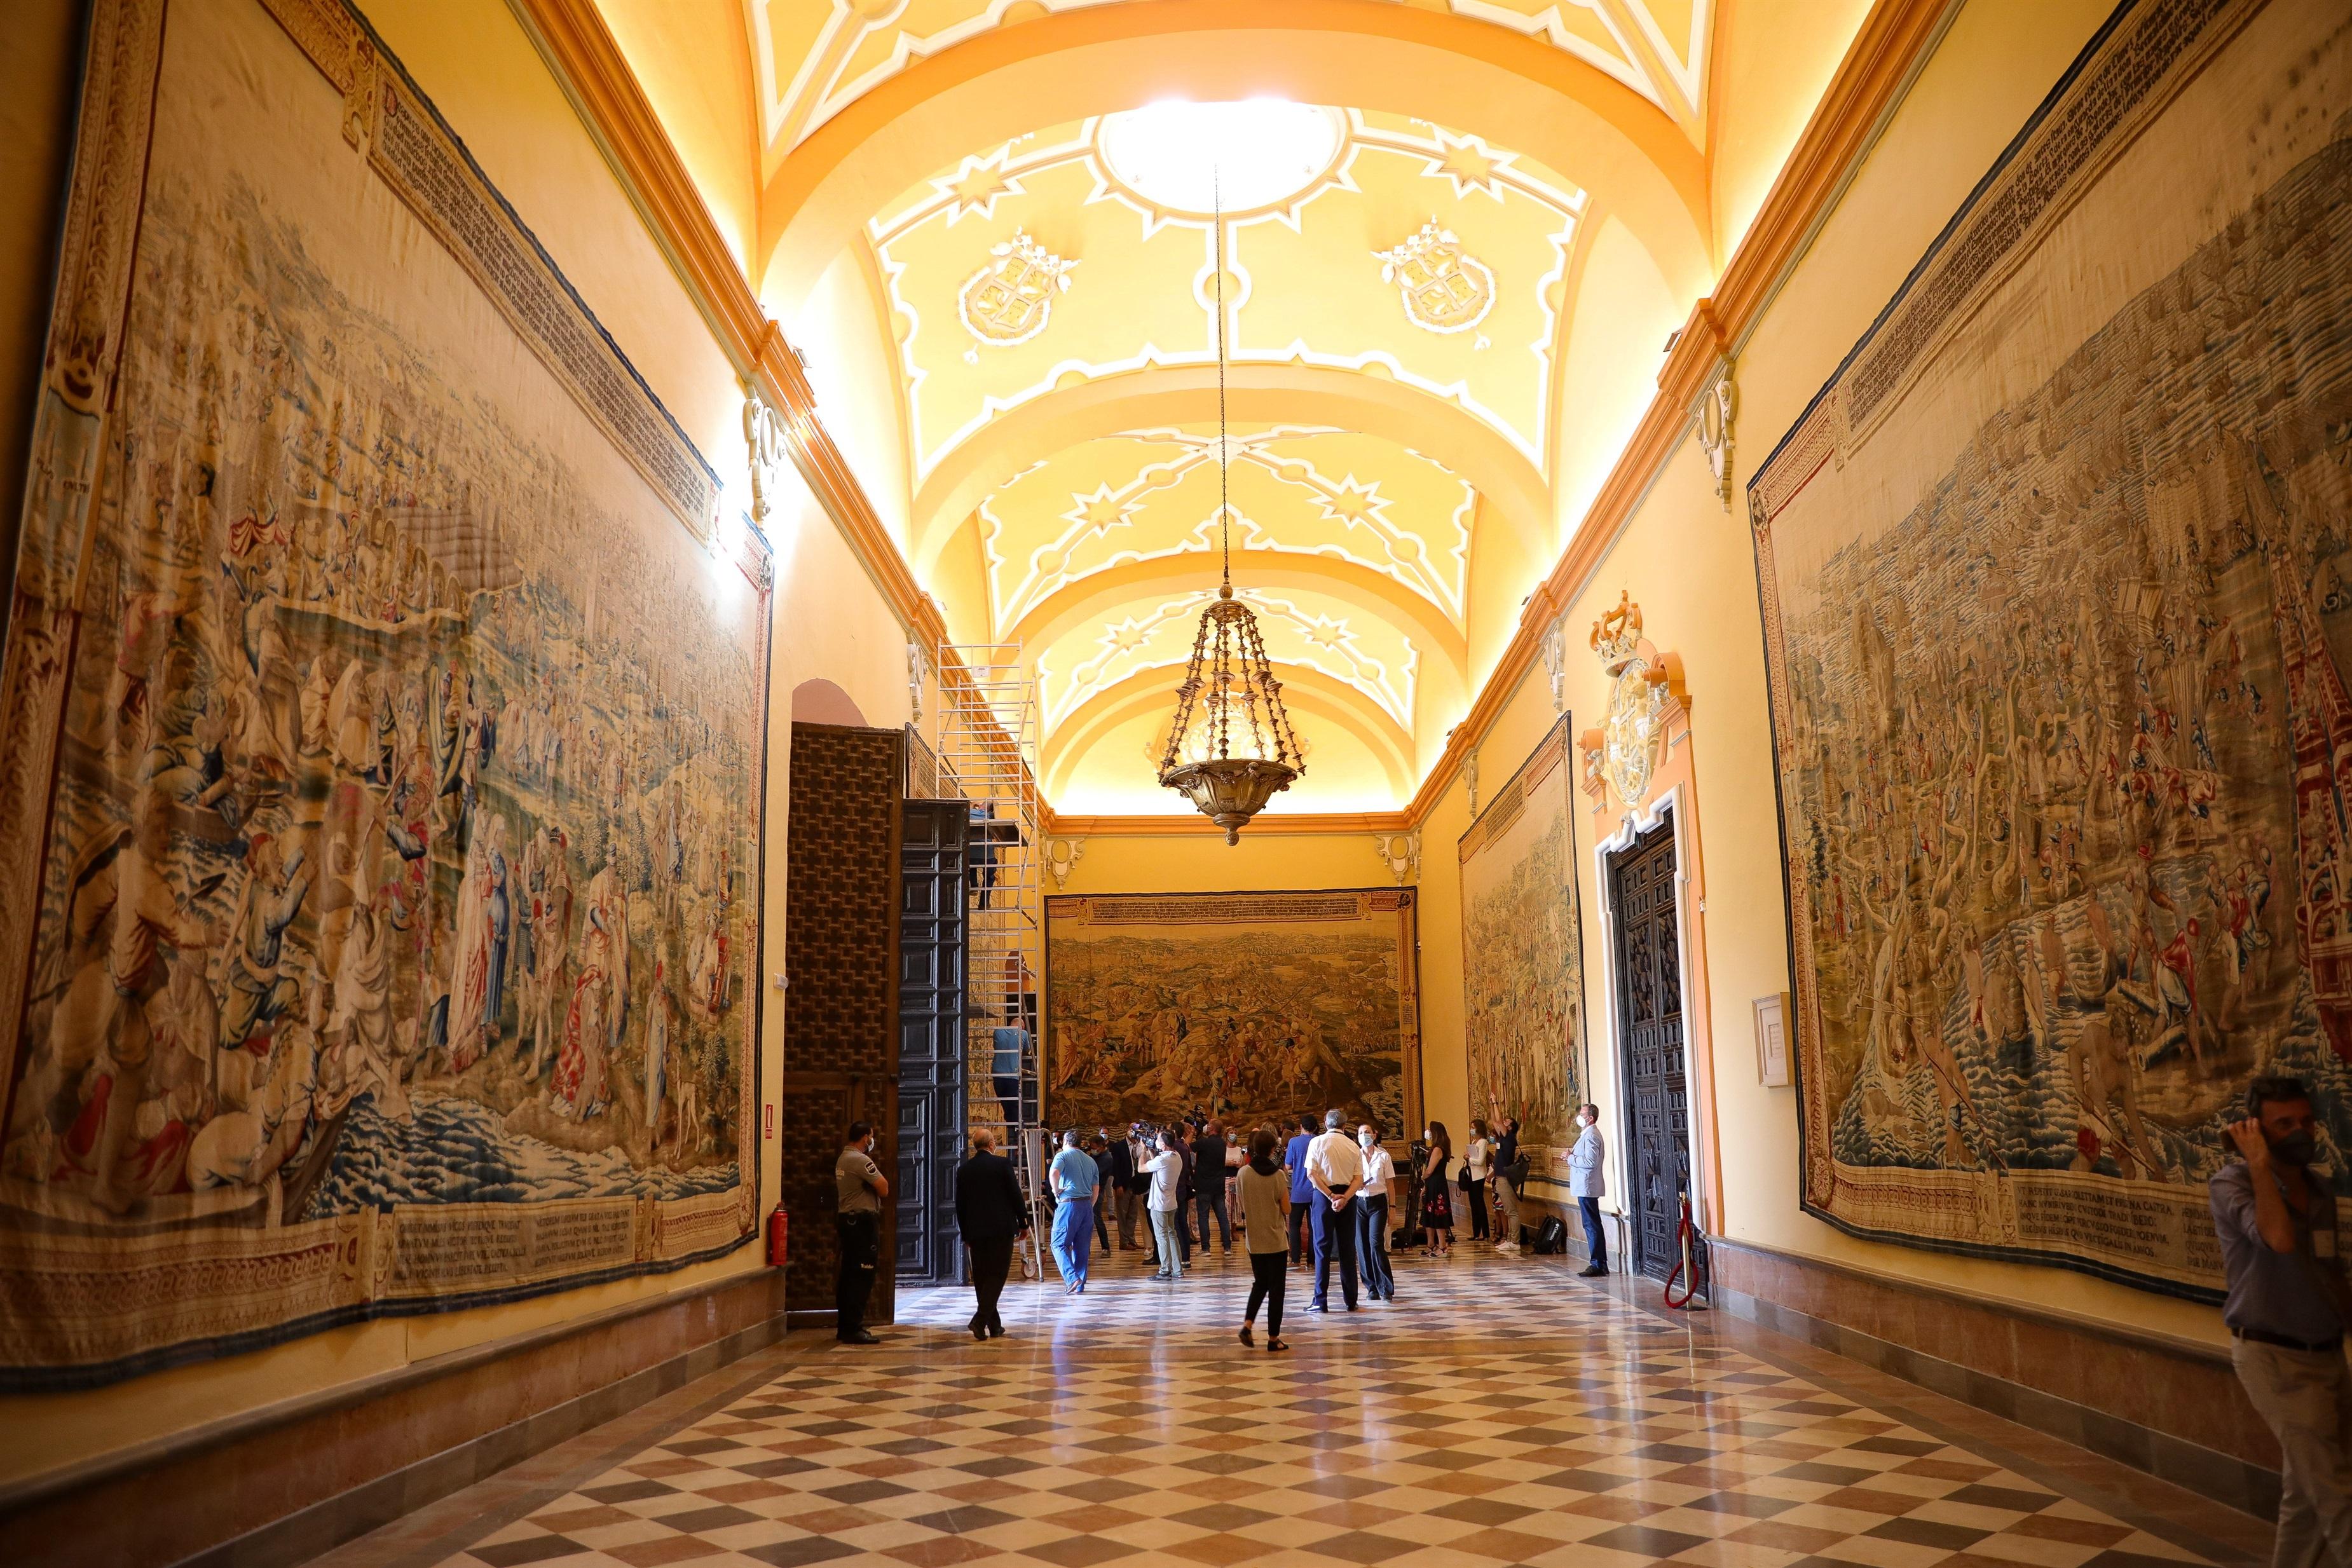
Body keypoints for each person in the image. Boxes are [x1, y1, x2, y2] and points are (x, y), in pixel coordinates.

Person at [2211, 1075, 2352, 1562]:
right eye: (2284, 1123)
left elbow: (2330, 1270)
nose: (2301, 1131)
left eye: (2307, 1121)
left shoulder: (2318, 1188)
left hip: (2327, 1354)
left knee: (2307, 1497)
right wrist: (2259, 1164)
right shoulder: (2232, 1183)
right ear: (2255, 1128)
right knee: (2339, 1493)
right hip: (2273, 1357)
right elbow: (2279, 1238)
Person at [955, 1129, 1028, 1341]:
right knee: (997, 1275)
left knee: (982, 1277)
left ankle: (994, 1326)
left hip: (976, 1231)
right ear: (992, 1144)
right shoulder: (1002, 1164)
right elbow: (1016, 1195)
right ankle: (979, 1320)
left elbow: (961, 1205)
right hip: (1001, 1229)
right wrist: (1024, 1223)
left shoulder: (964, 1169)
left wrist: (966, 1234)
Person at [1236, 1128, 1292, 1352]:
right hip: (1276, 1239)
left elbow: (1242, 1206)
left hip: (1255, 1239)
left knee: (1260, 1283)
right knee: (1277, 1289)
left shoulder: (1243, 1174)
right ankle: (1273, 1338)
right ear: (1271, 1150)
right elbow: (1287, 1209)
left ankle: (1248, 1325)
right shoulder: (1279, 1175)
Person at [835, 1122, 889, 1344]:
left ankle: (845, 1326)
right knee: (862, 1275)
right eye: (871, 1137)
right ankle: (853, 1327)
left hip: (848, 1221)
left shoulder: (842, 1158)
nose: (872, 1141)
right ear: (865, 1137)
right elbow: (884, 1188)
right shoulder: (859, 1160)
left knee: (849, 1275)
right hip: (862, 1224)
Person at [1306, 1108, 1365, 1311]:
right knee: (1348, 1249)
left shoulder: (1316, 1142)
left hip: (1324, 1197)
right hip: (1348, 1198)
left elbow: (1312, 1175)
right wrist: (1345, 1198)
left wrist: (1331, 1196)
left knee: (1322, 1248)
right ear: (1345, 1126)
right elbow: (1359, 1179)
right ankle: (1351, 1300)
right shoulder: (1353, 1146)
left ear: (1325, 1123)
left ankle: (1320, 1300)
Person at [1048, 1129, 1100, 1293]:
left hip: (1068, 1204)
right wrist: (1091, 1205)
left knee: (1058, 1243)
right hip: (1086, 1206)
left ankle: (1072, 1278)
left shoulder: (1062, 1156)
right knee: (1082, 1247)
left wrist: (1055, 1190)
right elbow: (1096, 1187)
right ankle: (1080, 1285)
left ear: (1065, 1142)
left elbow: (1054, 1173)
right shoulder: (1090, 1160)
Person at [1356, 1122, 1397, 1302]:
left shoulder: (1383, 1156)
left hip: (1378, 1202)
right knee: (1362, 1246)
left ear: (1374, 1135)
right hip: (1358, 1202)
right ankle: (1371, 1287)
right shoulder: (1354, 1156)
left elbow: (1390, 1183)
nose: (1364, 1135)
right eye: (1361, 1133)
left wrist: (1393, 1208)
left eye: (1367, 1132)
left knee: (1375, 1243)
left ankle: (1385, 1287)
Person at [1569, 1103, 1608, 1277]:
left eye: (1582, 1113)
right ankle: (1600, 1262)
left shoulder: (1591, 1135)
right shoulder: (1587, 1134)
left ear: (1590, 1118)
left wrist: (1571, 1158)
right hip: (1585, 1186)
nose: (1579, 1116)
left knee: (1591, 1225)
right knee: (1592, 1224)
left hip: (1587, 1186)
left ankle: (1597, 1263)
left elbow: (1590, 1162)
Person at [1144, 1128, 1187, 1279]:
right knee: (1172, 1234)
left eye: (1158, 1139)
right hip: (1171, 1202)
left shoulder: (1162, 1160)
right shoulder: (1176, 1157)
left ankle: (1164, 1269)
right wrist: (1151, 1152)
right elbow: (1156, 1164)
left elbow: (1142, 1168)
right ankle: (1177, 1269)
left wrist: (1144, 1151)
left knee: (1161, 1237)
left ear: (1162, 1142)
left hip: (1159, 1204)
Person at [1193, 1119, 1231, 1252]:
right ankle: (1227, 1247)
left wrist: (1195, 1133)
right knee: (1222, 1216)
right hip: (1218, 1185)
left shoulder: (1204, 1142)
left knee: (1203, 1217)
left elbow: (1189, 1147)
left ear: (1211, 1128)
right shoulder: (1222, 1143)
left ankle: (1206, 1248)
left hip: (1204, 1185)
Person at [1285, 1115, 1317, 1267]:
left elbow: (1288, 1166)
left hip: (1298, 1191)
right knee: (1314, 1226)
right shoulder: (1319, 1141)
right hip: (1316, 1191)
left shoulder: (1294, 1142)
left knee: (1294, 1225)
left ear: (1301, 1127)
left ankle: (1295, 1258)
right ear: (1316, 1128)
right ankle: (1312, 1260)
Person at [1420, 1121, 1454, 1258]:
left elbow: (1430, 1170)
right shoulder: (1436, 1148)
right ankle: (1430, 1244)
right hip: (1432, 1184)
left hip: (1437, 1185)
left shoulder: (1438, 1149)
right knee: (1428, 1215)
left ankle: (1442, 1246)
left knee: (1438, 1215)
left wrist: (1422, 1177)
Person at [1103, 1126, 1138, 1251]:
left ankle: (1132, 1240)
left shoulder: (1139, 1145)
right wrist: (1118, 1185)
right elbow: (1116, 1167)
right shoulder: (1119, 1146)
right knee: (1122, 1214)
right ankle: (1123, 1241)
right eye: (1132, 1128)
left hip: (1136, 1184)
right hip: (1123, 1184)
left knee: (1133, 1215)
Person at [1495, 1116, 1525, 1253]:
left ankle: (1515, 1241)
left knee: (1511, 1211)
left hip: (1505, 1179)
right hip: (1500, 1178)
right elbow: (1495, 1121)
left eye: (1507, 1122)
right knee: (1507, 1211)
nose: (1503, 1122)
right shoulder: (1503, 1138)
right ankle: (1509, 1240)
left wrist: (1495, 1103)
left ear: (1510, 1128)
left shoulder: (1509, 1138)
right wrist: (1491, 1103)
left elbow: (1499, 1121)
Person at [1464, 1119, 1493, 1243]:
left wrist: (1469, 1159)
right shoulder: (1474, 1141)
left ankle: (1484, 1232)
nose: (1472, 1130)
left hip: (1479, 1176)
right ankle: (1476, 1232)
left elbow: (1480, 1161)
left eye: (1473, 1127)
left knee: (1479, 1204)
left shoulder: (1483, 1142)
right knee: (1473, 1205)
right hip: (1471, 1174)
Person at [1089, 1134, 1116, 1253]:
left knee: (1097, 1218)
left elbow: (1096, 1174)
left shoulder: (1107, 1158)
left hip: (1098, 1191)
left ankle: (1106, 1247)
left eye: (1094, 1148)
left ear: (1101, 1146)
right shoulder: (1098, 1156)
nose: (1093, 1150)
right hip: (1091, 1189)